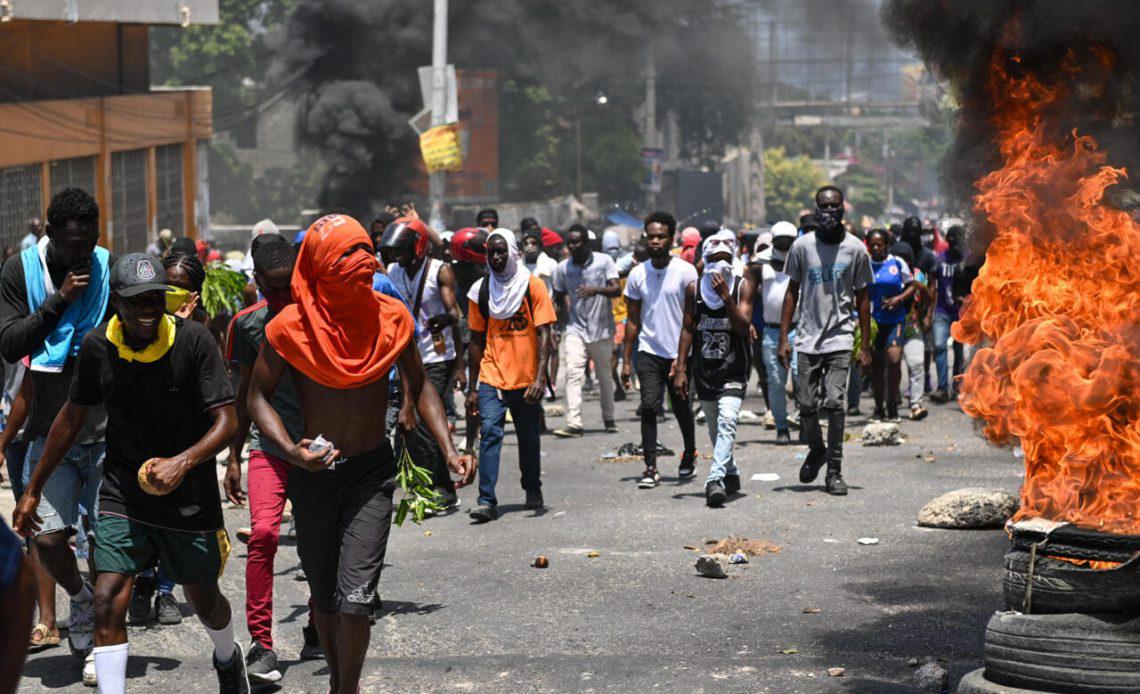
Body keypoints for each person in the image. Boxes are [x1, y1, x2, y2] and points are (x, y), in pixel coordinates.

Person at [247, 214, 473, 694]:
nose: (363, 263)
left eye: (364, 251)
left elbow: (420, 383)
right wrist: (290, 450)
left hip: (371, 473)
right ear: (320, 268)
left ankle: (344, 690)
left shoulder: (391, 317)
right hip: (314, 476)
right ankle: (338, 683)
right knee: (325, 599)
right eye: (346, 255)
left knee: (356, 598)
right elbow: (255, 397)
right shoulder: (289, 328)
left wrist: (450, 450)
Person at [13, 253, 249, 693]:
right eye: (136, 300)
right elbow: (71, 416)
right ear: (116, 302)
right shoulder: (97, 346)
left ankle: (227, 658)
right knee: (106, 597)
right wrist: (32, 488)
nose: (147, 309)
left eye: (155, 299)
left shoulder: (194, 341)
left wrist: (183, 462)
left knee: (204, 599)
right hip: (124, 490)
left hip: (189, 492)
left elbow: (227, 420)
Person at [0, 189, 111, 671]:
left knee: (106, 547)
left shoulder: (108, 267)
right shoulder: (18, 272)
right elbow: (10, 344)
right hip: (48, 432)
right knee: (45, 540)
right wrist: (58, 303)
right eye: (71, 244)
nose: (81, 253)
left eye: (89, 242)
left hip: (107, 433)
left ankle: (102, 648)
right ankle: (79, 597)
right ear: (49, 235)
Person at [224, 238, 322, 683]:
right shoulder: (246, 326)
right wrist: (233, 457)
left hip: (319, 447)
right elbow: (247, 395)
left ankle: (319, 626)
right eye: (275, 290)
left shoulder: (320, 316)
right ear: (258, 283)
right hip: (269, 447)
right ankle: (262, 644)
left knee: (319, 543)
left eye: (290, 288)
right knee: (263, 534)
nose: (284, 299)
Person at [778, 186, 873, 496]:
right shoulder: (802, 247)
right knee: (806, 405)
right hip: (806, 338)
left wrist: (865, 345)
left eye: (834, 207)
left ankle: (834, 470)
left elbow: (862, 298)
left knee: (834, 403)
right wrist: (784, 338)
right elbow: (791, 292)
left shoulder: (856, 249)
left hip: (841, 338)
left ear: (843, 210)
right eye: (824, 206)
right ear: (815, 210)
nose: (829, 212)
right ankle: (816, 449)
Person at [465, 229, 554, 521]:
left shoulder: (533, 286)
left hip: (526, 377)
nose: (497, 257)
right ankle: (486, 500)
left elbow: (545, 334)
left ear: (513, 251)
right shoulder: (480, 290)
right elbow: (476, 340)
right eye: (491, 252)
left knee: (528, 437)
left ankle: (532, 487)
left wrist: (540, 378)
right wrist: (472, 387)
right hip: (492, 374)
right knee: (490, 432)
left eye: (502, 251)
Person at [381, 217, 466, 509]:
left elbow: (455, 314)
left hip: (437, 356)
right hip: (406, 356)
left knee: (426, 423)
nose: (397, 256)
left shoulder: (438, 271)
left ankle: (441, 488)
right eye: (394, 251)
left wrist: (444, 319)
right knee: (413, 427)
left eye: (402, 249)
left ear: (416, 247)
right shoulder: (393, 272)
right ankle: (429, 484)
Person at [675, 230, 753, 507]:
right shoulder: (694, 289)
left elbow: (744, 327)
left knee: (727, 420)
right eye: (714, 258)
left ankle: (714, 479)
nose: (719, 265)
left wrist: (727, 298)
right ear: (705, 260)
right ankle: (730, 473)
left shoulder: (742, 285)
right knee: (714, 428)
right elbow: (687, 328)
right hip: (704, 370)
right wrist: (681, 367)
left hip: (734, 368)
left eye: (725, 259)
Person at [621, 212, 699, 489]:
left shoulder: (686, 272)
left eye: (661, 236)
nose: (655, 241)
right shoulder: (637, 274)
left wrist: (681, 364)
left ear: (672, 238)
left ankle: (690, 454)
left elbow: (690, 321)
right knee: (649, 407)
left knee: (681, 408)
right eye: (651, 236)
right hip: (649, 350)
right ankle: (650, 466)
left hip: (680, 351)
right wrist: (626, 361)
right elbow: (632, 319)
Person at [551, 226, 620, 438]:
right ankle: (574, 422)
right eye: (569, 242)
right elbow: (559, 298)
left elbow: (616, 289)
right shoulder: (563, 268)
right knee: (573, 373)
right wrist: (555, 325)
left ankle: (608, 417)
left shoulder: (604, 261)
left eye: (576, 242)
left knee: (605, 376)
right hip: (575, 328)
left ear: (586, 243)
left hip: (601, 328)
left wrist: (596, 290)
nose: (572, 246)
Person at [752, 221, 799, 444]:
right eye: (779, 241)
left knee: (802, 376)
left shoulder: (801, 261)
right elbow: (748, 295)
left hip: (799, 328)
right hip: (771, 330)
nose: (783, 245)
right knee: (776, 381)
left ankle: (805, 419)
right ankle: (782, 426)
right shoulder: (760, 263)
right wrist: (748, 321)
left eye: (787, 241)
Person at [865, 229, 916, 422]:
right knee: (877, 366)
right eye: (873, 245)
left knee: (894, 361)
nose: (876, 248)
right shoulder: (865, 264)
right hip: (874, 322)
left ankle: (893, 402)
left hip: (895, 320)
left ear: (887, 245)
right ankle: (879, 408)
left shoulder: (897, 263)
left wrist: (898, 299)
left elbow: (912, 285)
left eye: (880, 244)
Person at [891, 244, 931, 420]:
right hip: (891, 326)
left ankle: (915, 404)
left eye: (906, 259)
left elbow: (927, 300)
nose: (903, 262)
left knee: (916, 364)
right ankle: (890, 402)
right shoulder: (888, 272)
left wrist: (922, 288)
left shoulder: (918, 274)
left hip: (912, 327)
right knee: (891, 366)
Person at [931, 225, 967, 403]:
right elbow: (932, 284)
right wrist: (928, 310)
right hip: (942, 311)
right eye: (952, 243)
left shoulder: (968, 260)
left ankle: (956, 386)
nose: (955, 246)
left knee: (960, 352)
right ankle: (942, 387)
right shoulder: (939, 259)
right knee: (939, 346)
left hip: (963, 314)